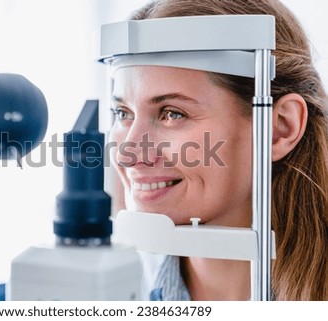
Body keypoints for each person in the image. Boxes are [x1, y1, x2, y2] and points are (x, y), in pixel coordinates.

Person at [108, 0, 328, 300]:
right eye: (122, 113)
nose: (128, 153)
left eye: (172, 113)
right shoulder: (112, 291)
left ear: (279, 129)